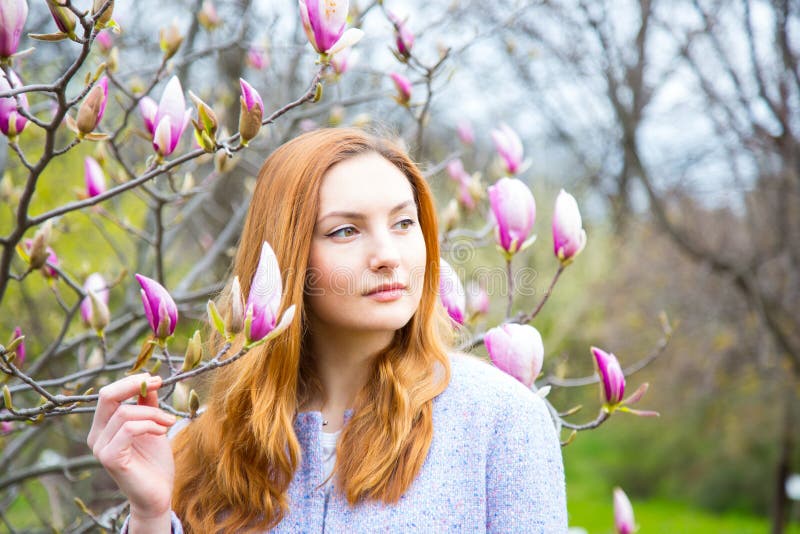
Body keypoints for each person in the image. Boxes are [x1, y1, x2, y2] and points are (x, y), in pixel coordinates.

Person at [87, 128, 568, 533]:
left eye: (404, 222)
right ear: (289, 256)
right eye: (346, 231)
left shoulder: (501, 421)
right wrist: (150, 514)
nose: (388, 255)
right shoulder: (209, 440)